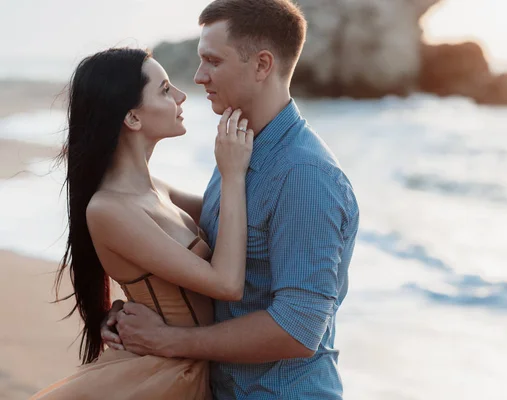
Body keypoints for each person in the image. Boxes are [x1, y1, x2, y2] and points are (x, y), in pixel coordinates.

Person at [103, 0, 360, 398]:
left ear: (261, 65)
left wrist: (167, 340)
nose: (198, 77)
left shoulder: (306, 177)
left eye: (212, 61)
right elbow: (176, 231)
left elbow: (298, 330)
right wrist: (136, 315)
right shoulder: (238, 147)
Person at [31, 47, 253, 399]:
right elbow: (226, 284)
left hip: (187, 366)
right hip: (163, 378)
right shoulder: (108, 208)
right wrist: (232, 174)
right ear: (132, 118)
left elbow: (240, 218)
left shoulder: (158, 191)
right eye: (165, 90)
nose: (181, 96)